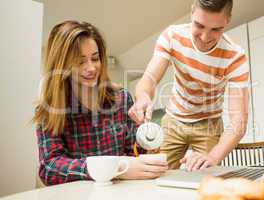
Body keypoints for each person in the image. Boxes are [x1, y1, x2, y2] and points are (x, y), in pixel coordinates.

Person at [32, 20, 167, 186]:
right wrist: (112, 167)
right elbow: (49, 168)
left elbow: (133, 154)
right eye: (80, 62)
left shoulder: (122, 99)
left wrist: (147, 141)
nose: (91, 68)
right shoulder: (50, 109)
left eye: (95, 59)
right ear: (62, 65)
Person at [128, 0, 249, 171]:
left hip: (209, 124)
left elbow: (239, 119)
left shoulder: (235, 57)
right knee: (155, 172)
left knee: (206, 176)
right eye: (199, 25)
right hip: (173, 119)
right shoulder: (172, 36)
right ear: (192, 12)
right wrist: (143, 96)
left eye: (216, 29)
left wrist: (213, 156)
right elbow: (150, 77)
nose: (205, 38)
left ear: (227, 20)